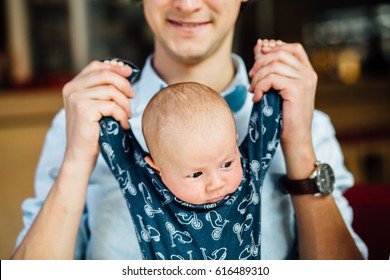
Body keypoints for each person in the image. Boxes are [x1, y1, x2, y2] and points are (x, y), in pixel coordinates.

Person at [11, 0, 366, 259]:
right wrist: (76, 162)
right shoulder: (80, 122)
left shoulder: (308, 124)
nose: (188, 4)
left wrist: (299, 146)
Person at [98, 81, 282, 259]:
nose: (216, 184)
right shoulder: (146, 192)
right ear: (156, 167)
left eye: (226, 164)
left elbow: (270, 113)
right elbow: (110, 131)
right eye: (196, 174)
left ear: (235, 142)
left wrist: (271, 63)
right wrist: (110, 88)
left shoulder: (248, 173)